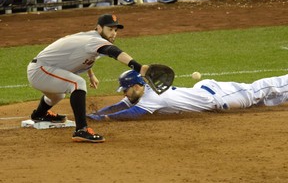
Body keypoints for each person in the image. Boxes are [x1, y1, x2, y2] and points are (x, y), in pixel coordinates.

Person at [27, 14, 149, 143]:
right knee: (77, 83)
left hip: (43, 69)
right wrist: (139, 68)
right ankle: (81, 130)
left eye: (115, 30)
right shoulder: (94, 40)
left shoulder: (89, 37)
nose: (113, 33)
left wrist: (91, 74)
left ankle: (39, 114)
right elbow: (115, 52)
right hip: (41, 70)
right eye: (110, 29)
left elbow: (82, 56)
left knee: (58, 95)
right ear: (99, 28)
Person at [87, 70, 288, 121]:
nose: (124, 93)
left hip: (220, 97)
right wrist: (96, 116)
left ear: (138, 86)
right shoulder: (140, 94)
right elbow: (120, 107)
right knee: (263, 102)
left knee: (260, 89)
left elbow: (131, 114)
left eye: (125, 89)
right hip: (204, 87)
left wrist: (105, 118)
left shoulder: (151, 98)